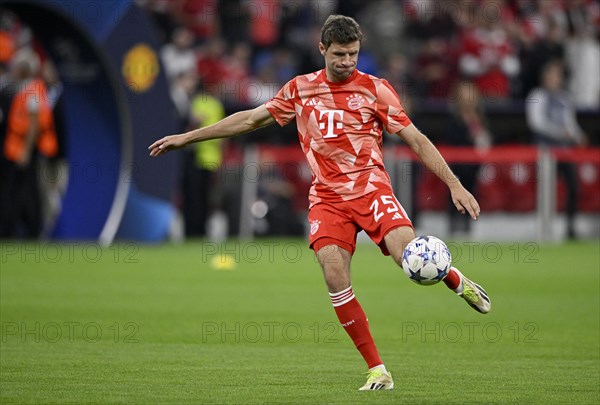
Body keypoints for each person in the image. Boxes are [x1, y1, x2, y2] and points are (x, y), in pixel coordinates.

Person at [149, 15, 491, 391]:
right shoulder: (299, 89)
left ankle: (454, 278)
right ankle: (378, 369)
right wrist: (188, 137)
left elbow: (417, 140)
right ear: (322, 49)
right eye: (340, 54)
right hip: (327, 198)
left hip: (371, 189)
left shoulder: (376, 90)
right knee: (333, 274)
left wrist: (454, 185)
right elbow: (249, 120)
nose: (347, 62)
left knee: (408, 257)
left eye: (354, 54)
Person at [526, 60, 587, 239]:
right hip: (545, 152)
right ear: (544, 77)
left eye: (557, 76)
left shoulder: (565, 98)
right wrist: (560, 133)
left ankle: (570, 227)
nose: (554, 79)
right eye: (551, 75)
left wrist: (578, 136)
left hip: (564, 152)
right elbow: (536, 123)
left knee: (573, 188)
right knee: (545, 191)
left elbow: (570, 122)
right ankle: (542, 228)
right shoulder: (537, 95)